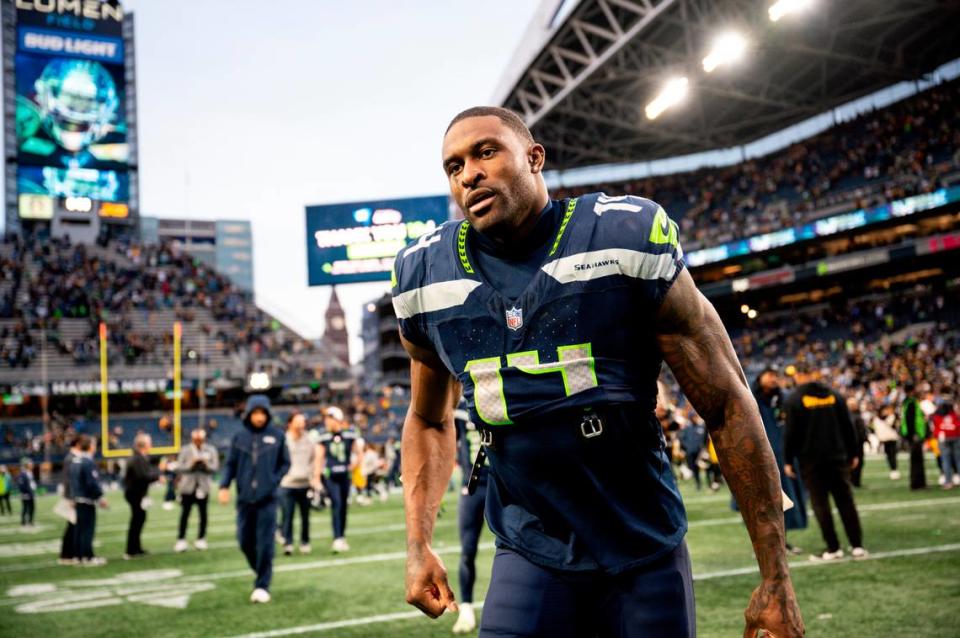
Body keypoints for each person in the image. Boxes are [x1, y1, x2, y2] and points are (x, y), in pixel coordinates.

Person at [393, 106, 803, 637]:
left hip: (642, 544)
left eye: (486, 152)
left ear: (535, 157)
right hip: (529, 546)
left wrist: (775, 577)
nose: (468, 173)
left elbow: (725, 403)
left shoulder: (622, 235)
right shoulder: (424, 275)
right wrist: (417, 543)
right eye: (453, 166)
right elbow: (427, 419)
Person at [783, 367, 865, 561]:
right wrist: (853, 452)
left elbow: (790, 433)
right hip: (837, 458)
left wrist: (788, 460)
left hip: (811, 461)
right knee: (846, 502)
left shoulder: (794, 399)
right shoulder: (834, 395)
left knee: (821, 505)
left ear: (799, 376)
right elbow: (848, 426)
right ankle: (857, 545)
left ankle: (833, 547)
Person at [219, 395, 289, 604]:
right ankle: (259, 570)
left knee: (266, 543)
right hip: (244, 499)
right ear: (249, 414)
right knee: (244, 541)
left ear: (267, 414)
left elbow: (285, 463)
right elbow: (230, 464)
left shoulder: (277, 436)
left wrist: (273, 481)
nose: (259, 417)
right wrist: (224, 485)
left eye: (262, 413)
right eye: (255, 413)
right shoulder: (239, 437)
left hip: (268, 499)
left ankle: (262, 585)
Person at [753, 368, 807, 553]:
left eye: (776, 376)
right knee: (763, 504)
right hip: (761, 458)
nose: (774, 379)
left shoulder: (784, 399)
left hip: (784, 456)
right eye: (769, 375)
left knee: (785, 502)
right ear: (759, 379)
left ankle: (781, 542)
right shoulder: (751, 399)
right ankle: (765, 544)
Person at [451, 405, 487, 634]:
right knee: (468, 549)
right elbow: (446, 440)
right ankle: (466, 607)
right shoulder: (461, 410)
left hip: (506, 484)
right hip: (473, 486)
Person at [313, 406, 362, 553]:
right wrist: (316, 477)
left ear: (338, 419)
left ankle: (342, 536)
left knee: (343, 507)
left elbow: (359, 453)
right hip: (331, 476)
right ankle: (337, 538)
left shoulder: (349, 434)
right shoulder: (323, 436)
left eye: (330, 418)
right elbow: (319, 458)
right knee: (337, 504)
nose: (327, 421)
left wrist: (353, 466)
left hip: (345, 476)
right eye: (326, 418)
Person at [175, 428, 219, 552]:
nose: (199, 442)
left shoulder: (211, 450)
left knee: (203, 515)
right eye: (197, 439)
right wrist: (191, 464)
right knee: (185, 514)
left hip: (203, 487)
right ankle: (181, 539)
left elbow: (215, 467)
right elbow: (180, 467)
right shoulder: (185, 450)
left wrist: (205, 464)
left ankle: (201, 538)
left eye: (201, 439)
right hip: (188, 487)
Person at [69, 435, 108, 566]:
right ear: (90, 446)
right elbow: (92, 483)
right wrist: (100, 497)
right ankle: (88, 556)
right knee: (87, 529)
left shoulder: (75, 460)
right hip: (86, 500)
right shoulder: (87, 462)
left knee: (79, 529)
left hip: (78, 499)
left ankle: (78, 556)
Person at [280, 412, 314, 555]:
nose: (301, 424)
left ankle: (305, 541)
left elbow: (313, 459)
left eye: (303, 421)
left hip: (305, 483)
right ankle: (288, 543)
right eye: (298, 421)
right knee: (287, 515)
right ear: (290, 423)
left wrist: (312, 476)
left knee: (305, 516)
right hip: (288, 483)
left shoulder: (309, 439)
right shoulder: (283, 440)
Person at [123, 433, 160, 559]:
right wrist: (158, 475)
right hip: (135, 494)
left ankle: (136, 548)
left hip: (137, 493)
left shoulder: (139, 457)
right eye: (149, 443)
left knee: (139, 520)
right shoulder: (137, 458)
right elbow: (143, 477)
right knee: (137, 520)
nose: (151, 445)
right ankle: (131, 549)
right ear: (144, 445)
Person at [901, 383, 928, 490]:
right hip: (915, 435)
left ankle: (918, 483)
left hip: (913, 435)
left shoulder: (908, 402)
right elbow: (910, 421)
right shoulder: (911, 402)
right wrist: (914, 434)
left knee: (916, 460)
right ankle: (918, 484)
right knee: (917, 461)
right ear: (911, 391)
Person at [59, 437, 82, 565]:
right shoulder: (71, 458)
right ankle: (67, 554)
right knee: (72, 526)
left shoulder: (71, 457)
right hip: (72, 497)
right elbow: (69, 480)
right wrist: (72, 497)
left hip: (72, 495)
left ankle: (69, 553)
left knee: (73, 525)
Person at [932, 400, 960, 489]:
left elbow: (935, 429)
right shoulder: (954, 415)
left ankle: (948, 482)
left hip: (943, 439)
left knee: (946, 460)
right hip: (955, 437)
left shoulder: (937, 416)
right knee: (958, 459)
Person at [872, 403, 900, 480]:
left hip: (892, 438)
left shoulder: (892, 417)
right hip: (884, 439)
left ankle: (894, 469)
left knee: (892, 454)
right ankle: (892, 469)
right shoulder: (878, 418)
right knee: (888, 455)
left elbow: (893, 425)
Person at [847, 396, 869, 488]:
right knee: (857, 463)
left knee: (853, 463)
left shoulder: (849, 416)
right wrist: (865, 439)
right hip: (857, 443)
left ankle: (853, 481)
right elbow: (859, 432)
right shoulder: (855, 416)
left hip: (852, 443)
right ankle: (855, 482)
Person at [17, 459, 37, 527]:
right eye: (31, 464)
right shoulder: (22, 474)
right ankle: (23, 522)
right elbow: (21, 485)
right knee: (25, 508)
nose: (32, 466)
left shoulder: (30, 473)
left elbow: (31, 483)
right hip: (25, 495)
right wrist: (24, 493)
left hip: (31, 494)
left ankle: (30, 521)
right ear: (27, 465)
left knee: (32, 508)